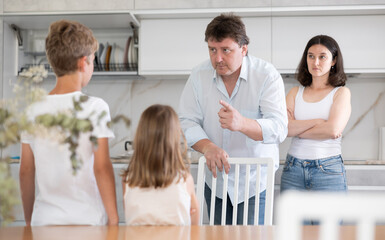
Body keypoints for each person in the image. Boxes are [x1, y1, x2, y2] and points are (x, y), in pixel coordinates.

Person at [179, 13, 287, 225]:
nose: (217, 58)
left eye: (225, 50)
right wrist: (208, 147)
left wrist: (242, 123)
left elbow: (279, 128)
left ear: (244, 49)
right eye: (212, 50)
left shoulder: (266, 75)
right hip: (216, 183)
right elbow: (187, 121)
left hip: (255, 184)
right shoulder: (198, 75)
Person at [19, 20, 118, 226]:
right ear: (83, 63)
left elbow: (26, 171)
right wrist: (115, 220)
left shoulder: (32, 110)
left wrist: (29, 221)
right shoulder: (95, 107)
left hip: (44, 221)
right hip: (87, 221)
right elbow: (102, 168)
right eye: (92, 60)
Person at [280, 35, 351, 196]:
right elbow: (283, 127)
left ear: (333, 61)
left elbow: (332, 130)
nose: (315, 62)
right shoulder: (295, 92)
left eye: (322, 57)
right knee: (291, 222)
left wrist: (297, 128)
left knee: (328, 223)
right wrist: (318, 122)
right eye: (310, 56)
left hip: (328, 170)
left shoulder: (341, 93)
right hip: (293, 170)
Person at [122, 104, 199, 225]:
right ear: (174, 139)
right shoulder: (184, 179)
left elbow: (130, 213)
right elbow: (194, 223)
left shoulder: (128, 180)